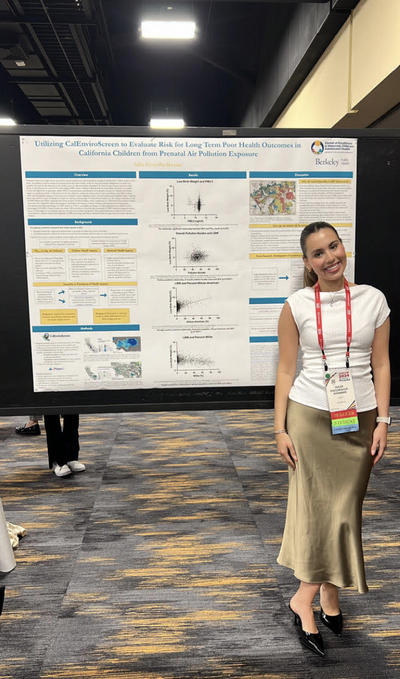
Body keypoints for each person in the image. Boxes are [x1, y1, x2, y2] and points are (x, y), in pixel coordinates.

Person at [274, 221, 390, 658]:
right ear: (307, 263)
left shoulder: (373, 299)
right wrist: (279, 428)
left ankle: (321, 594)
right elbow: (286, 369)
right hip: (308, 417)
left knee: (344, 511)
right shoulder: (296, 305)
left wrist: (383, 420)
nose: (329, 258)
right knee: (318, 510)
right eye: (318, 253)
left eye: (334, 246)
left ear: (344, 248)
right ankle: (310, 597)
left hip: (357, 419)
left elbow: (381, 363)